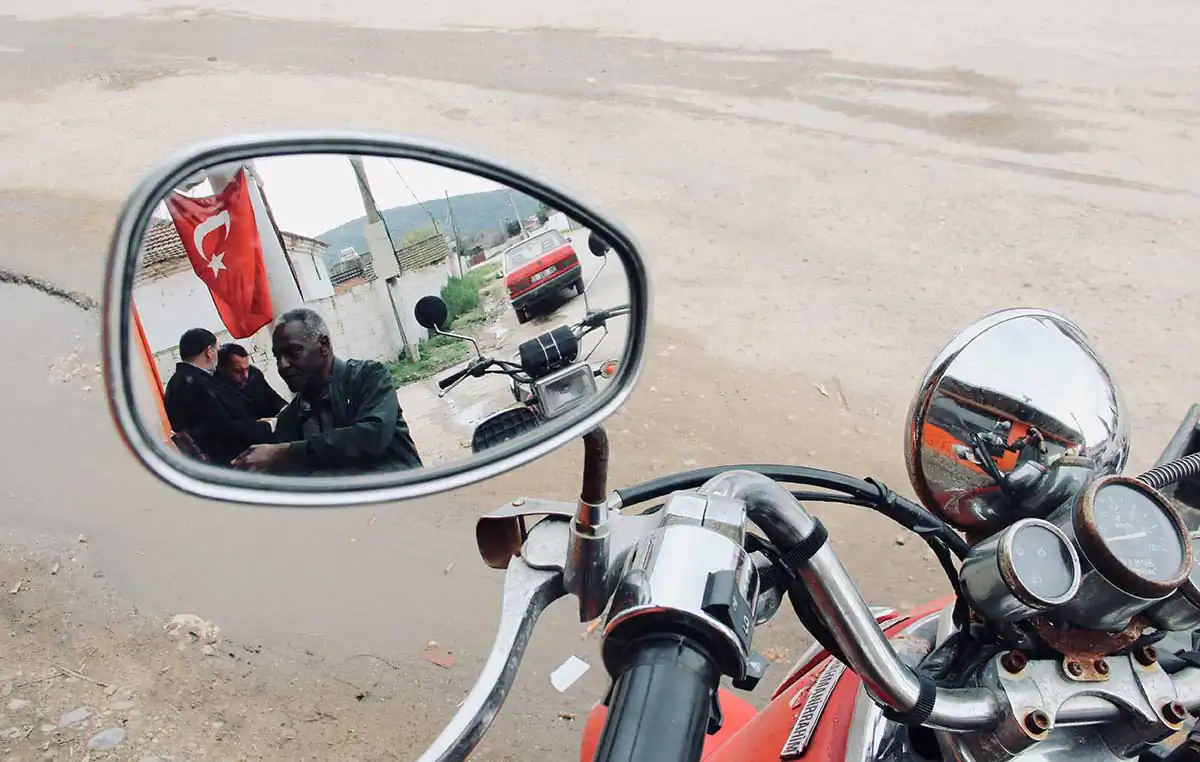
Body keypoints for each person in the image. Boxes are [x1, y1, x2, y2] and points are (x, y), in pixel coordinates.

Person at [231, 308, 423, 475]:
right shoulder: (290, 419)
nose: (283, 365)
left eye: (294, 352)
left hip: (401, 494)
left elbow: (371, 437)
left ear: (323, 345)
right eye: (277, 357)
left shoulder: (367, 377)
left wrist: (284, 452)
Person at [163, 328, 276, 465]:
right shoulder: (198, 384)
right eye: (217, 350)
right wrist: (267, 426)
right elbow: (224, 429)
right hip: (234, 459)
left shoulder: (177, 383)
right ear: (209, 352)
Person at [214, 343, 288, 419]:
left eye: (246, 369)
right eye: (237, 371)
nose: (245, 375)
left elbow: (273, 399)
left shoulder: (254, 374)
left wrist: (287, 410)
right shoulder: (213, 389)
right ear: (220, 368)